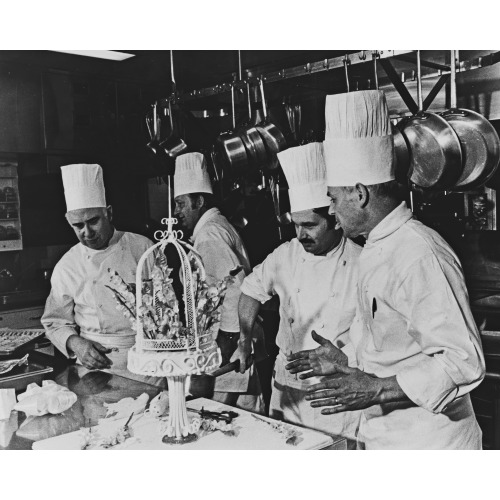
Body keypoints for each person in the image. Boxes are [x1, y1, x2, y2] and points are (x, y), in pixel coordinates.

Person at [301, 90, 485, 449]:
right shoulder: (375, 247)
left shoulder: (418, 252)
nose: (333, 214)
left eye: (334, 199)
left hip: (432, 446)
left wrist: (379, 388)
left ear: (359, 194)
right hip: (390, 439)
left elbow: (463, 360)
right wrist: (345, 358)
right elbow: (385, 340)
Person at [236, 142, 361, 440]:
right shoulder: (285, 255)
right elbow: (251, 291)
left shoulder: (363, 263)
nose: (300, 235)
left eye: (310, 225)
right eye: (295, 225)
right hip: (286, 384)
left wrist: (347, 360)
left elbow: (381, 337)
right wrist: (245, 336)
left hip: (335, 390)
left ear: (336, 221)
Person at [42, 164, 162, 385]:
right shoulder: (67, 266)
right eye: (78, 225)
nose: (86, 233)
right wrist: (76, 343)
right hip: (94, 367)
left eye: (93, 221)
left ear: (109, 213)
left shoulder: (143, 248)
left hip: (147, 362)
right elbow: (55, 322)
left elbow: (165, 308)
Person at [173, 152, 264, 413]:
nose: (176, 212)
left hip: (227, 347)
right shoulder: (211, 228)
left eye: (180, 204)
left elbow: (234, 292)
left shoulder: (210, 234)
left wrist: (227, 346)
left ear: (199, 201)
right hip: (224, 344)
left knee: (223, 424)